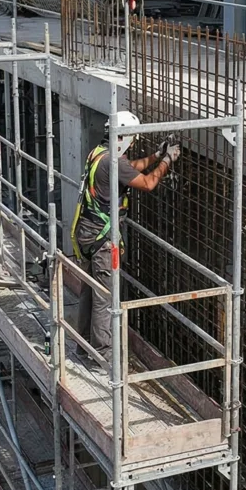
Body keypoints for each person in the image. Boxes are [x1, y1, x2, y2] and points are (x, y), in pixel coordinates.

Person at [69, 110, 181, 361]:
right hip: (101, 238)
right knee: (105, 299)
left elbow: (130, 168)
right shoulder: (114, 162)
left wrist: (156, 155)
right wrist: (167, 161)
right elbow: (149, 183)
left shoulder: (99, 154)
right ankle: (102, 355)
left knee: (90, 290)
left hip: (87, 233)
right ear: (124, 138)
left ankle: (83, 345)